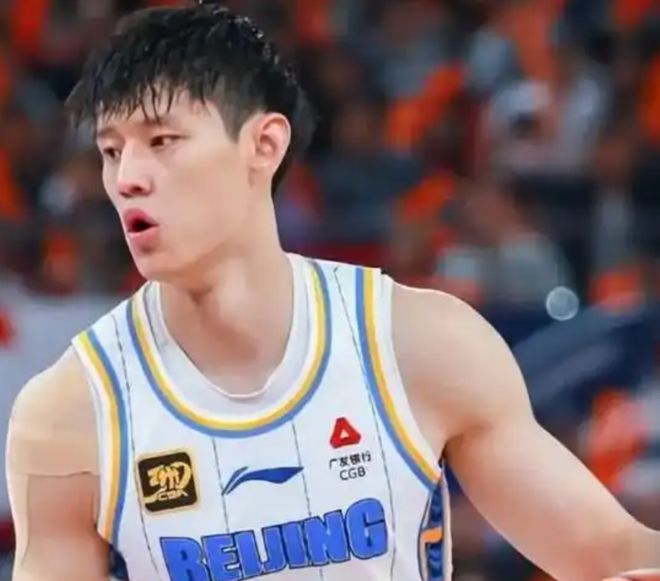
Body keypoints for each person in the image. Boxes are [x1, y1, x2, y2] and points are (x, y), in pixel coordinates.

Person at [5, 3, 660, 581]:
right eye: (111, 151)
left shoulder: (418, 344)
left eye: (161, 141)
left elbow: (604, 549)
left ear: (263, 145)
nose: (128, 178)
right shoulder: (69, 412)